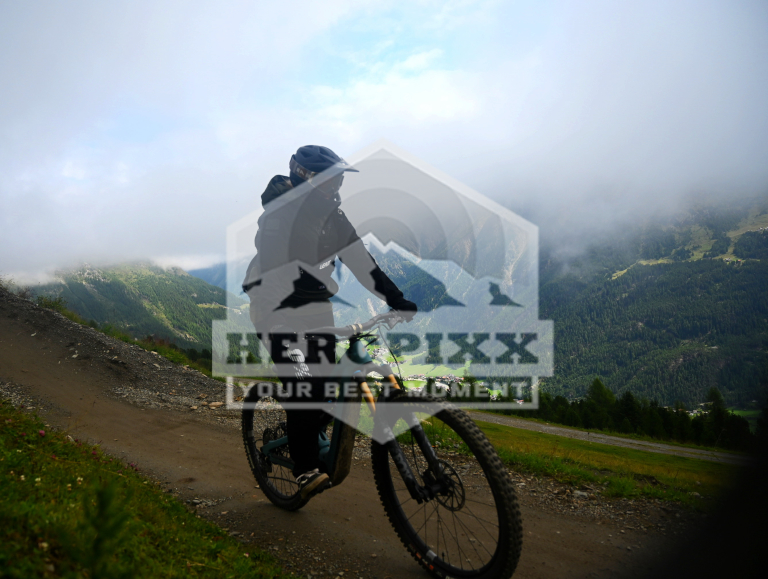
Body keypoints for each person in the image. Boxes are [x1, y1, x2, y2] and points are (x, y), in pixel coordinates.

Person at [243, 145, 417, 499]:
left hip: (315, 307)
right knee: (305, 386)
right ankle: (304, 467)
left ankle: (304, 432)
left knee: (327, 386)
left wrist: (396, 300)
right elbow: (274, 271)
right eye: (329, 180)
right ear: (306, 180)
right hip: (274, 308)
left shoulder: (333, 217)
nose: (336, 186)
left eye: (339, 180)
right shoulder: (278, 217)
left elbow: (362, 262)